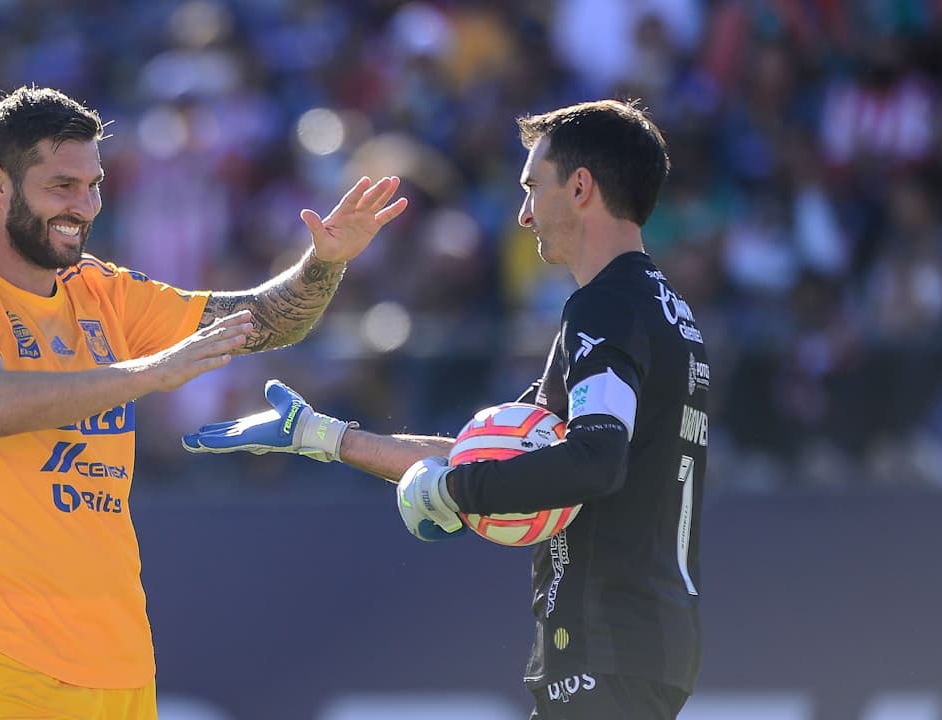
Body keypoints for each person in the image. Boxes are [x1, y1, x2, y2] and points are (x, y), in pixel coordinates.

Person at [0, 85, 406, 720]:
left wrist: (324, 264)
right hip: (6, 654)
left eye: (93, 185)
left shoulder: (103, 290)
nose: (84, 206)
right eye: (61, 187)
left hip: (123, 663)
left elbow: (262, 322)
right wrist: (147, 373)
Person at [183, 99, 708, 719]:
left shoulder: (606, 308)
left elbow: (594, 461)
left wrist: (457, 492)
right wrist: (323, 437)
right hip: (635, 644)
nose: (523, 212)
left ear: (582, 187)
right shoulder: (658, 308)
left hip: (606, 644)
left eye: (532, 188)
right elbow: (498, 451)